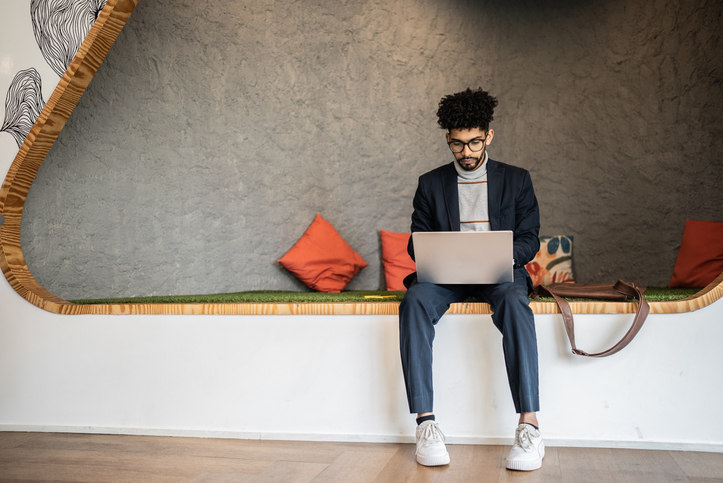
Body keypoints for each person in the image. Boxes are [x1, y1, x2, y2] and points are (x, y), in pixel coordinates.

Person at [399, 88, 544, 471]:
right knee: (413, 300)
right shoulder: (430, 184)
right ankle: (426, 424)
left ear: (489, 136)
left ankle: (529, 426)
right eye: (458, 144)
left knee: (515, 302)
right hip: (447, 276)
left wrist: (504, 255)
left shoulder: (516, 180)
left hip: (499, 273)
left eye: (474, 142)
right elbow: (417, 242)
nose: (466, 152)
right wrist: (430, 252)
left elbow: (530, 238)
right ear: (448, 140)